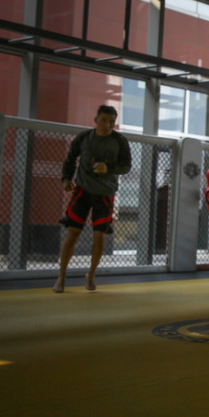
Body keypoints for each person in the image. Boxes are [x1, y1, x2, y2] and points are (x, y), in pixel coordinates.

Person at [53, 105, 131, 293]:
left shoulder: (120, 141)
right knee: (73, 232)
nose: (108, 125)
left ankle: (91, 274)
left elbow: (126, 166)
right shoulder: (84, 138)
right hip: (82, 191)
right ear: (96, 120)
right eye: (104, 120)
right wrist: (66, 179)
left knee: (99, 235)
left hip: (105, 193)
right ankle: (61, 276)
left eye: (112, 122)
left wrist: (108, 168)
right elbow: (70, 159)